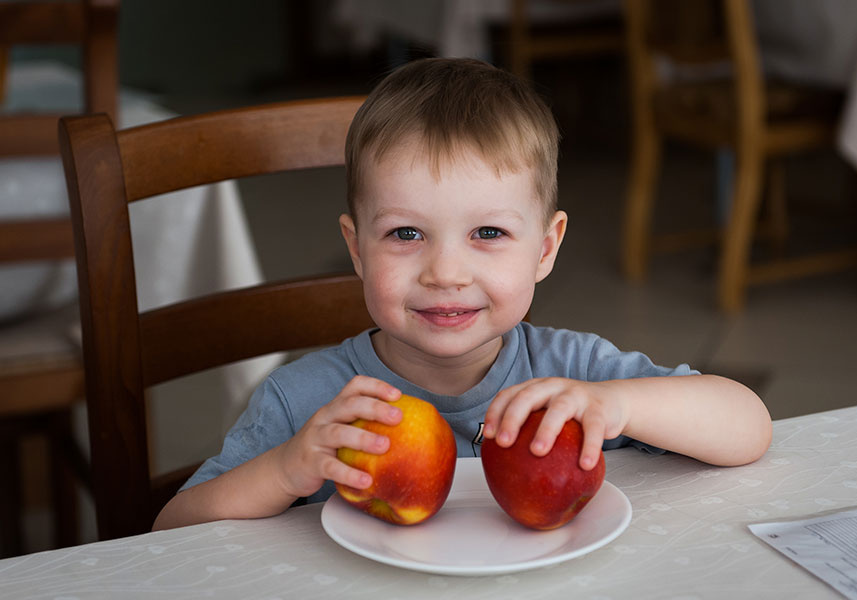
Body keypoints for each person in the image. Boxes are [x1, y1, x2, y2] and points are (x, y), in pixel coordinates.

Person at [153, 57, 772, 530]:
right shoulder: (312, 404)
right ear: (356, 249)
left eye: (488, 233)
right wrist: (287, 468)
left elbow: (749, 427)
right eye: (405, 233)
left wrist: (616, 405)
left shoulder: (571, 378)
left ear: (546, 248)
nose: (445, 272)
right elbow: (171, 528)